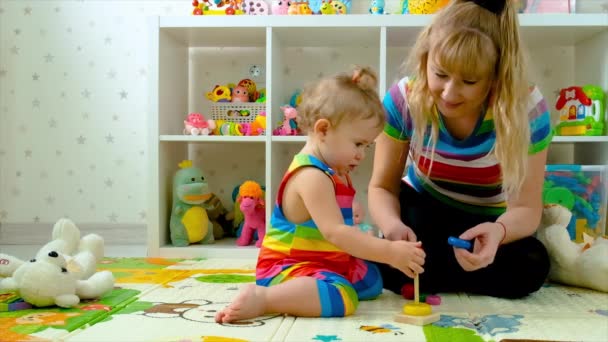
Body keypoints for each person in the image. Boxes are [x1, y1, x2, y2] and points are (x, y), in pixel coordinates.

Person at [368, 0, 552, 299]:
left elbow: (526, 209)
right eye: (440, 74)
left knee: (533, 263)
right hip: (424, 214)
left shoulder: (526, 108)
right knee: (408, 218)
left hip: (488, 222)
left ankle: (423, 275)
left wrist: (498, 233)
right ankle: (431, 270)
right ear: (426, 59)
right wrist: (392, 227)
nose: (449, 93)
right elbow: (382, 187)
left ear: (495, 76)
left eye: (469, 80)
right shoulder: (404, 98)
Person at [215, 66, 425, 323]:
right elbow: (335, 232)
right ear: (323, 130)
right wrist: (390, 252)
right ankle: (265, 298)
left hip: (324, 259)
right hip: (288, 266)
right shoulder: (311, 175)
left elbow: (337, 218)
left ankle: (312, 287)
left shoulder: (333, 170)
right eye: (358, 144)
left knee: (371, 281)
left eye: (367, 146)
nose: (362, 154)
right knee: (343, 297)